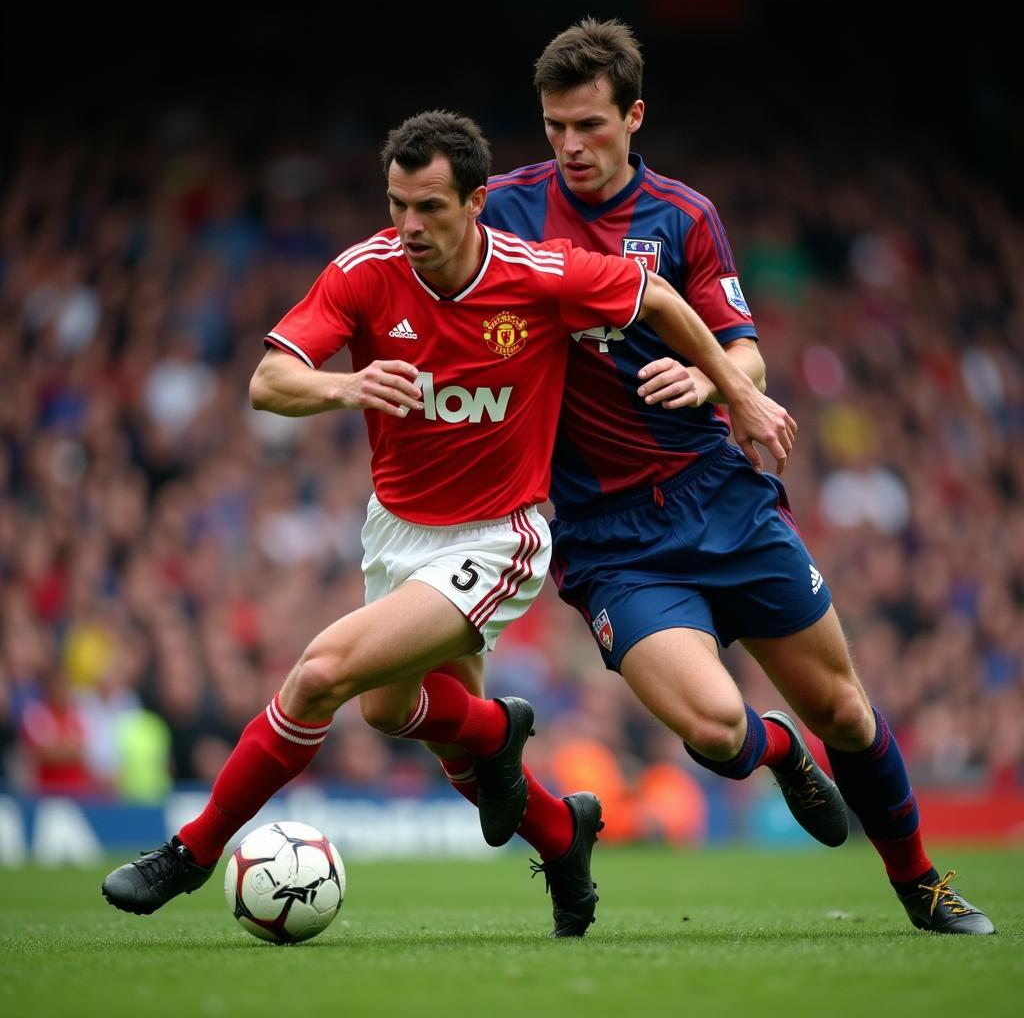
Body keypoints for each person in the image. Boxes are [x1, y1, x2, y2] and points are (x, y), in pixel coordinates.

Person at [101, 109, 797, 937]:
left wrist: (737, 388)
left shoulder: (538, 275)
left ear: (476, 203)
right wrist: (346, 387)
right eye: (397, 204)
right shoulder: (364, 272)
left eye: (429, 206)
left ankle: (190, 852)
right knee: (392, 714)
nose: (409, 226)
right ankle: (552, 821)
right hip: (396, 533)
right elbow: (268, 381)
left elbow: (656, 295)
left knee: (322, 674)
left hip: (499, 536)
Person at [479, 18, 994, 935]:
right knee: (718, 733)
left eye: (591, 125)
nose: (571, 145)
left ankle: (922, 886)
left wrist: (716, 376)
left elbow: (745, 355)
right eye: (556, 126)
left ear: (634, 116)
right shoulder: (508, 211)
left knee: (845, 705)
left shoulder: (684, 216)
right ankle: (781, 751)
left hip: (721, 499)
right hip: (612, 539)